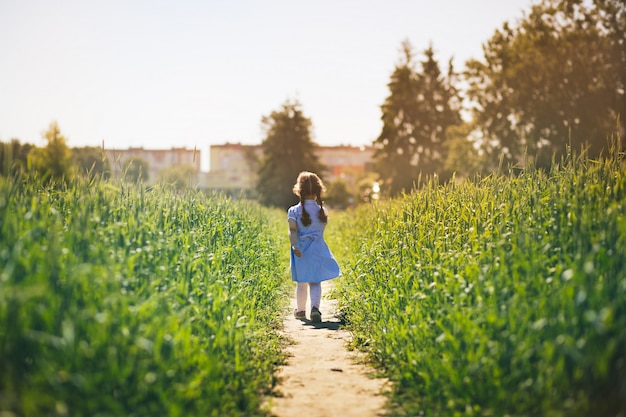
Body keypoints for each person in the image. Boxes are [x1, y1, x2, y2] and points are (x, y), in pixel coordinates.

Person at [288, 171, 341, 323]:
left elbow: (293, 230)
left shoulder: (293, 211)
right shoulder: (322, 211)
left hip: (301, 250)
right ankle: (315, 308)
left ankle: (300, 310)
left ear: (299, 191)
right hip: (317, 248)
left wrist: (294, 245)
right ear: (318, 191)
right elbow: (320, 231)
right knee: (315, 280)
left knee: (302, 281)